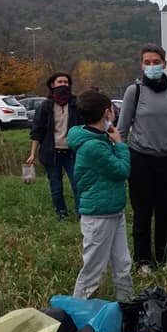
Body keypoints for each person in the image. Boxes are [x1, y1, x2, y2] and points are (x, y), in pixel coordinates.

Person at [116, 44, 167, 273]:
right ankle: (143, 260)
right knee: (142, 213)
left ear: (164, 63)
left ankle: (164, 257)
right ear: (141, 65)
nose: (151, 66)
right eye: (147, 62)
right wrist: (121, 161)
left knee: (166, 213)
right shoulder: (134, 92)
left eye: (155, 62)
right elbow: (121, 130)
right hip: (140, 159)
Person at [67, 91, 132, 300]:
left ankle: (127, 306)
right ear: (107, 112)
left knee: (123, 265)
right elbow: (122, 170)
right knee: (93, 271)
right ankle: (77, 312)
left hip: (114, 211)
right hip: (98, 216)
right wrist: (120, 144)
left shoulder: (100, 138)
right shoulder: (93, 146)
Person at [25, 72, 82, 220]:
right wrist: (32, 153)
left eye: (66, 82)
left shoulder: (76, 104)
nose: (63, 85)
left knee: (77, 184)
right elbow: (37, 131)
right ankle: (61, 213)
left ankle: (81, 214)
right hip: (52, 152)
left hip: (72, 153)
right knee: (56, 186)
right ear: (52, 85)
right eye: (60, 82)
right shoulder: (46, 106)